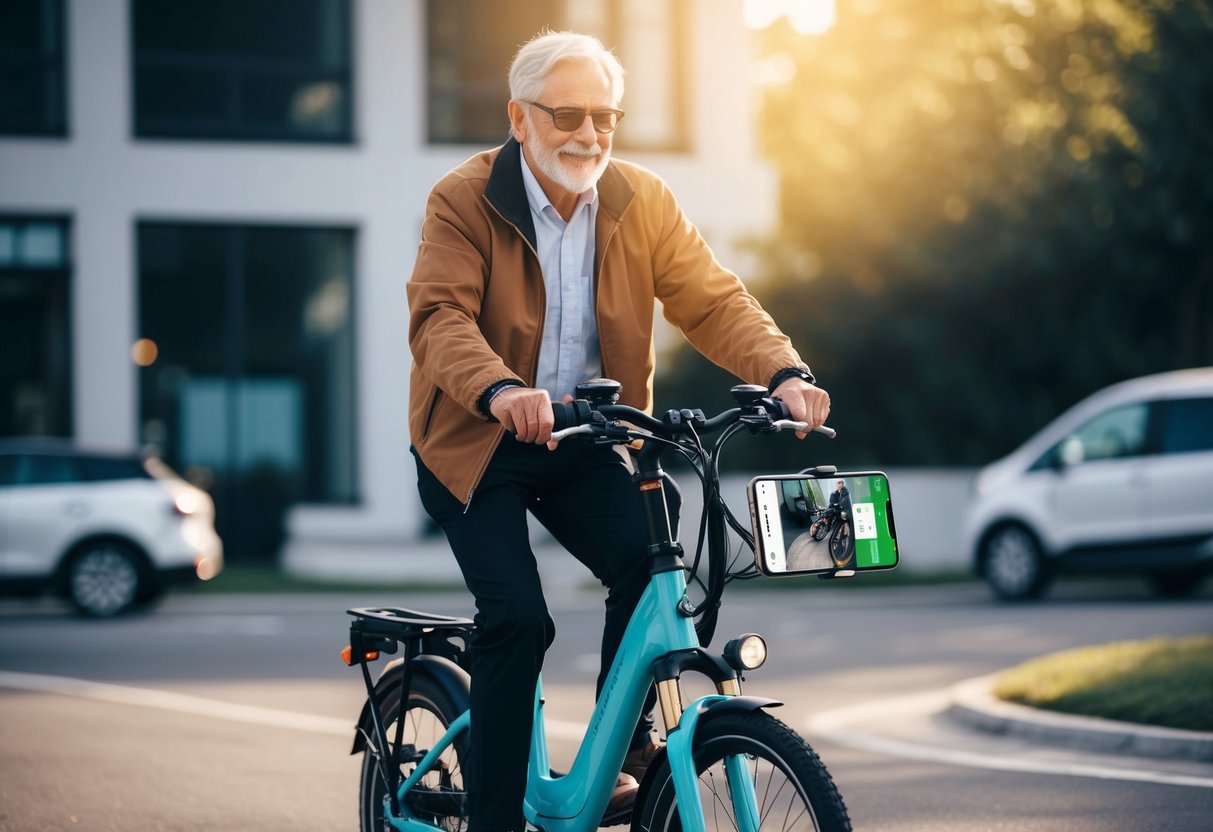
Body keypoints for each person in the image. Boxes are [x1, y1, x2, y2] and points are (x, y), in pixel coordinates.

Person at [406, 30, 830, 832]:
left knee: (657, 558)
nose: (589, 134)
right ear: (519, 118)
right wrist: (499, 388)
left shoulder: (639, 199)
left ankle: (622, 752)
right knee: (518, 620)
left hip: (588, 439)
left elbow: (711, 299)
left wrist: (782, 370)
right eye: (566, 114)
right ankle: (495, 820)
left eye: (604, 116)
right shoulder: (463, 199)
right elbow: (440, 317)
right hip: (477, 440)